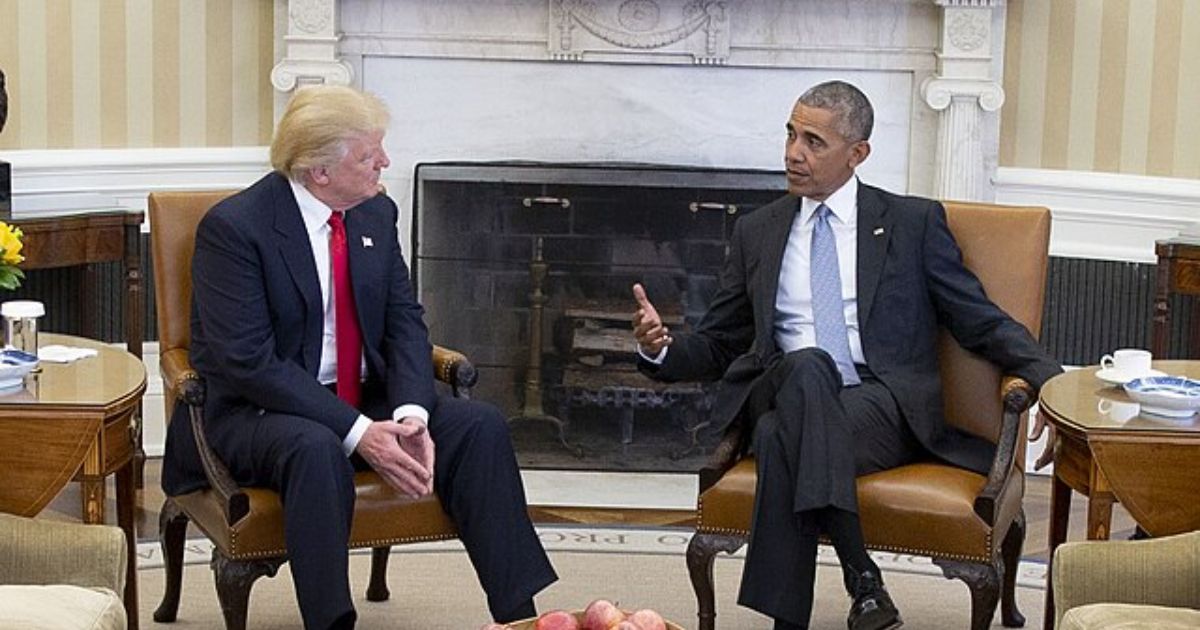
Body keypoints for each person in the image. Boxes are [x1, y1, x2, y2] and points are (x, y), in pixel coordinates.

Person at [631, 80, 1061, 630]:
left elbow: (977, 318)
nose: (792, 152)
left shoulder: (912, 224)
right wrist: (661, 349)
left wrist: (1048, 379)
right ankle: (863, 578)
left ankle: (794, 616)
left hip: (879, 406)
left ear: (858, 153)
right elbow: (719, 343)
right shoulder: (757, 232)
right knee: (808, 367)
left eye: (813, 141)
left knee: (788, 433)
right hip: (781, 389)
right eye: (790, 134)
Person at [160, 85, 557, 630]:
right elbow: (247, 361)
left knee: (480, 426)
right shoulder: (236, 229)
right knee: (317, 446)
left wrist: (411, 413)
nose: (386, 163)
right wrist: (358, 431)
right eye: (370, 155)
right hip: (254, 411)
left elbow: (403, 322)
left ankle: (520, 618)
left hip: (358, 397)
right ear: (320, 171)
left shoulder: (374, 214)